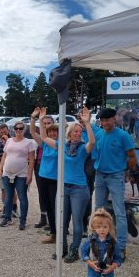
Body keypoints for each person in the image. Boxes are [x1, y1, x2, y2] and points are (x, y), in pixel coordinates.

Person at [40, 106, 95, 262]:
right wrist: (40, 120)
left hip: (79, 189)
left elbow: (92, 142)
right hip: (63, 188)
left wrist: (87, 123)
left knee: (77, 222)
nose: (78, 133)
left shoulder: (83, 148)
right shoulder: (62, 145)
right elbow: (44, 138)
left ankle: (74, 250)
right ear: (69, 133)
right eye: (75, 131)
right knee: (61, 221)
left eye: (79, 131)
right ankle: (62, 248)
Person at [93, 108, 137, 261]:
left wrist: (125, 172)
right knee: (98, 212)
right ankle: (99, 245)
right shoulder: (99, 134)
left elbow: (132, 157)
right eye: (102, 120)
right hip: (99, 177)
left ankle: (121, 248)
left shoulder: (123, 136)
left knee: (119, 213)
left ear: (114, 119)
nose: (105, 123)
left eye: (107, 120)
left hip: (116, 177)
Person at [81, 208, 122, 277]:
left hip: (108, 273)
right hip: (93, 272)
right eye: (98, 227)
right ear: (94, 227)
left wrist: (113, 266)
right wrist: (90, 263)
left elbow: (119, 258)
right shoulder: (90, 240)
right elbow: (83, 253)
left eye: (105, 227)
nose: (102, 230)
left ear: (110, 227)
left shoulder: (114, 242)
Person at [0, 121, 36, 230]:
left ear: (24, 129)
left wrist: (30, 174)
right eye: (16, 128)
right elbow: (4, 156)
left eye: (21, 128)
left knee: (22, 197)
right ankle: (7, 218)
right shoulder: (9, 141)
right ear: (13, 129)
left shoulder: (29, 142)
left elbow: (32, 160)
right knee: (8, 196)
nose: (18, 130)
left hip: (21, 174)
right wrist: (0, 169)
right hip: (7, 173)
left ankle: (22, 220)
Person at [30, 107, 59, 243]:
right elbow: (35, 133)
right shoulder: (45, 143)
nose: (52, 133)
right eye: (50, 131)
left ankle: (60, 232)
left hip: (55, 179)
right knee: (47, 205)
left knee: (55, 206)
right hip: (43, 177)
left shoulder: (60, 144)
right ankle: (53, 233)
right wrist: (37, 119)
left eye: (55, 131)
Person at [77, 109, 102, 235]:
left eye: (83, 117)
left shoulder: (97, 131)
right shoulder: (76, 130)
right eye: (79, 118)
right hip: (77, 164)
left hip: (90, 163)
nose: (81, 120)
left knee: (86, 195)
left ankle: (84, 225)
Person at [0, 124, 19, 218]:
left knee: (12, 190)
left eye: (4, 132)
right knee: (3, 190)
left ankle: (14, 208)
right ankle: (6, 208)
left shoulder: (14, 140)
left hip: (12, 169)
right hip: (0, 169)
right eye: (1, 132)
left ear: (8, 131)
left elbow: (16, 152)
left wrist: (7, 141)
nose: (2, 133)